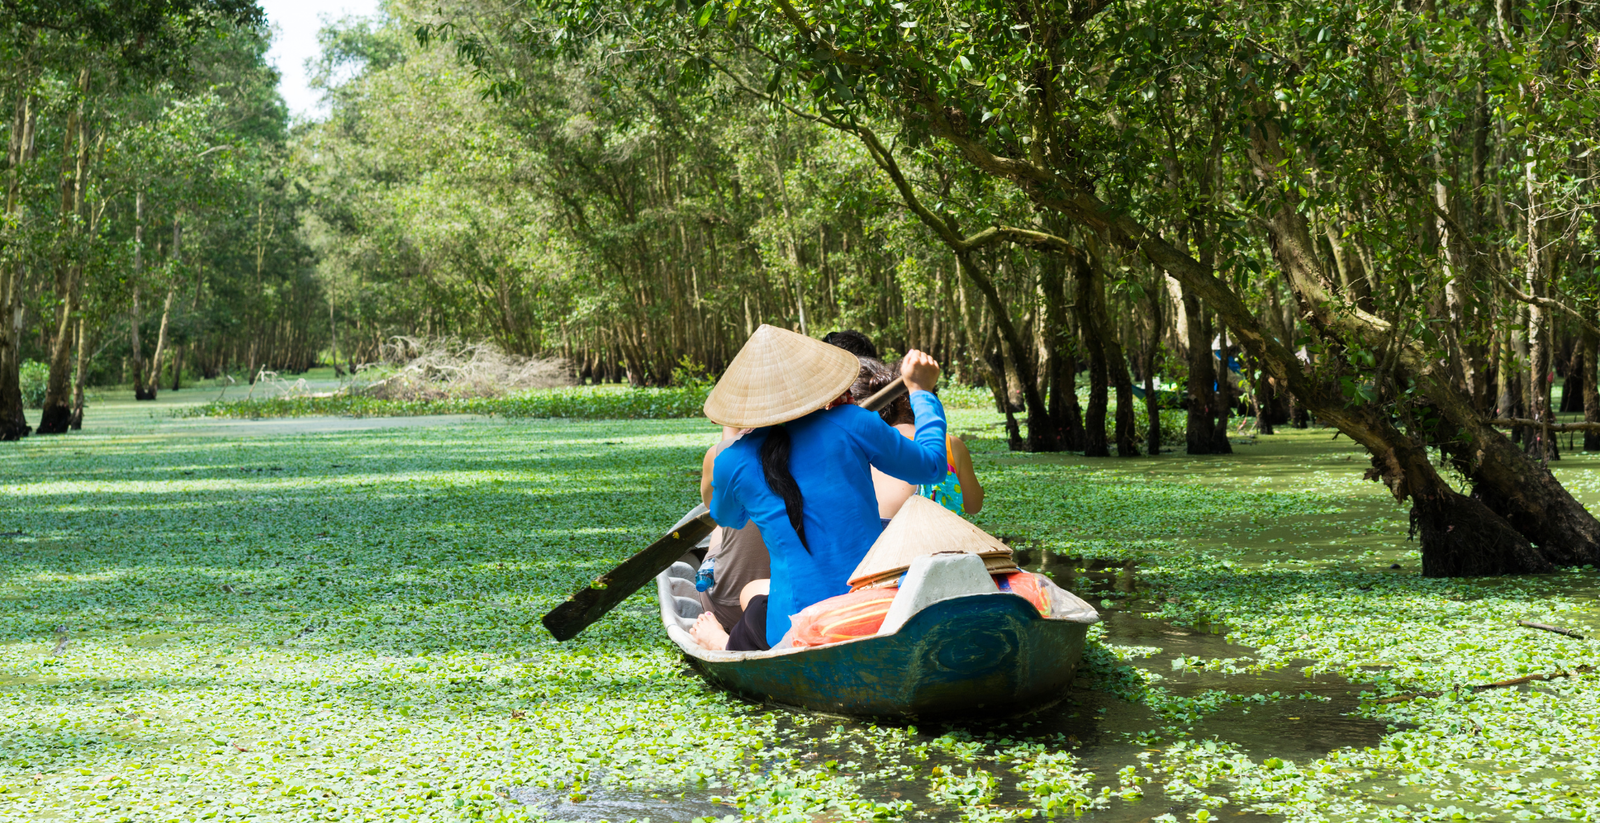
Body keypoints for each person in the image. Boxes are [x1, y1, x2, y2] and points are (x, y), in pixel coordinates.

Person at [701, 324, 948, 650]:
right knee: (761, 603)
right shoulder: (852, 422)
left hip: (792, 628)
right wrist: (922, 392)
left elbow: (728, 517)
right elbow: (932, 466)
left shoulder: (731, 460)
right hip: (869, 609)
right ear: (811, 382)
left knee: (755, 609)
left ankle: (720, 644)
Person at [852, 358, 985, 519]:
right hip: (945, 539)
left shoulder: (871, 443)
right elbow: (974, 506)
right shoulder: (951, 444)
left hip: (885, 539)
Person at [690, 427, 771, 637]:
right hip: (804, 598)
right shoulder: (826, 449)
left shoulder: (720, 454)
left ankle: (708, 567)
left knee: (723, 522)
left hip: (732, 606)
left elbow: (714, 508)